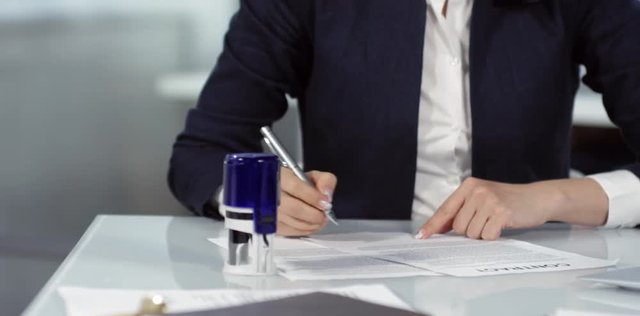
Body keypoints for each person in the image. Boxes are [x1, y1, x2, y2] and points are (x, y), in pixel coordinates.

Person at [168, 0, 640, 240]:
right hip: (350, 274)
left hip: (534, 267)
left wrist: (554, 196)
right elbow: (202, 152)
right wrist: (259, 194)